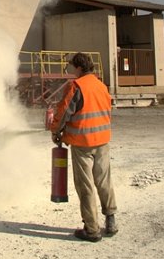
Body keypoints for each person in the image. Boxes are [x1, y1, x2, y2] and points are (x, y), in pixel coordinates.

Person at [49, 52, 117, 242]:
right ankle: (111, 220)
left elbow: (64, 112)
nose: (73, 71)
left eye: (73, 68)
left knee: (85, 186)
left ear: (79, 67)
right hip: (102, 141)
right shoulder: (101, 85)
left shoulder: (77, 86)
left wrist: (55, 131)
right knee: (104, 181)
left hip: (83, 144)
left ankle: (92, 230)